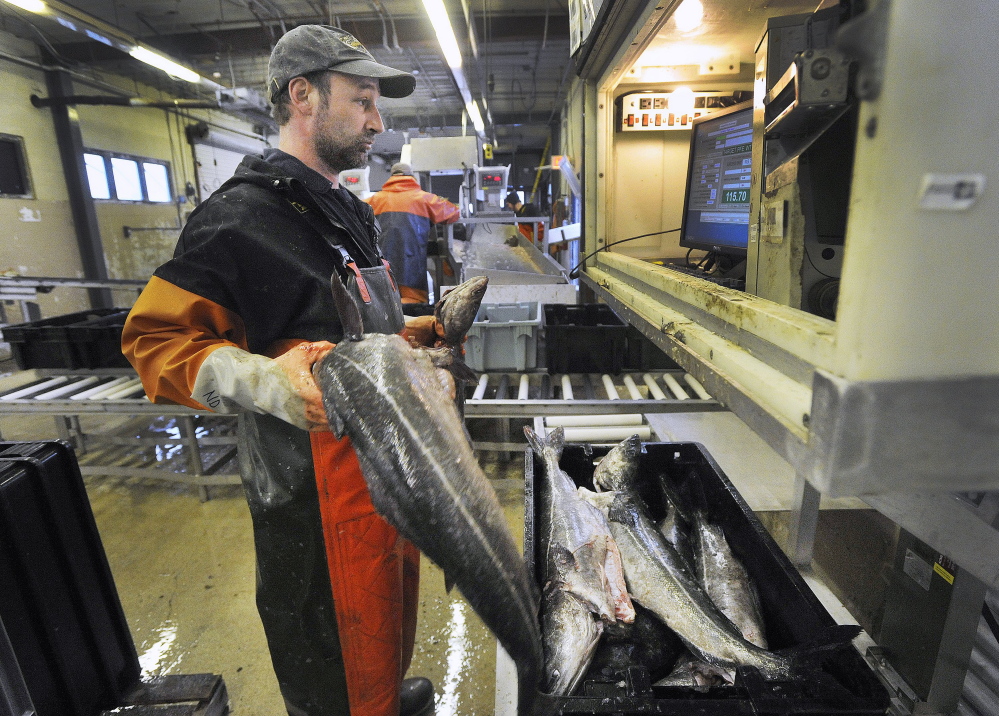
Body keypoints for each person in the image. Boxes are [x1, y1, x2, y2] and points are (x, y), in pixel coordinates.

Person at [121, 25, 440, 716]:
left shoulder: (342, 207)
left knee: (387, 614)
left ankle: (381, 695)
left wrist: (406, 333)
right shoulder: (237, 220)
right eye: (361, 102)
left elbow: (334, 317)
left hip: (380, 463)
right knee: (331, 640)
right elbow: (153, 342)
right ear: (304, 96)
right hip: (315, 487)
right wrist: (266, 380)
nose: (377, 123)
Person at [366, 162, 460, 303]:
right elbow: (454, 213)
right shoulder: (425, 199)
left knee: (386, 308)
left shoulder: (373, 200)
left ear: (391, 178)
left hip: (381, 270)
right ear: (411, 177)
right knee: (414, 307)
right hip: (412, 267)